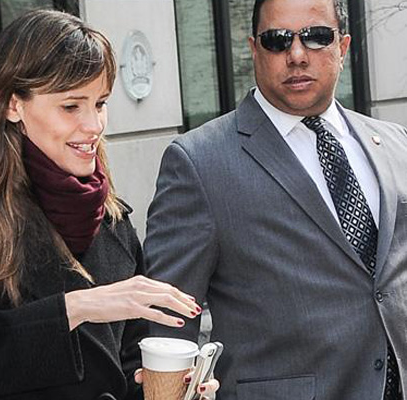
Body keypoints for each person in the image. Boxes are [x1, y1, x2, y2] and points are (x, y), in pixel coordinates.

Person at [0, 10, 219, 400]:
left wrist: (174, 388)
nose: (94, 125)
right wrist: (74, 309)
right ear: (13, 105)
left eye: (100, 103)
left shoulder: (111, 216)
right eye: (71, 106)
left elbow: (128, 367)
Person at [144, 0, 407, 399]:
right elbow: (168, 320)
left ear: (343, 47)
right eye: (277, 40)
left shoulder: (394, 143)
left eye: (316, 37)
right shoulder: (199, 162)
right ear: (254, 49)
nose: (297, 55)